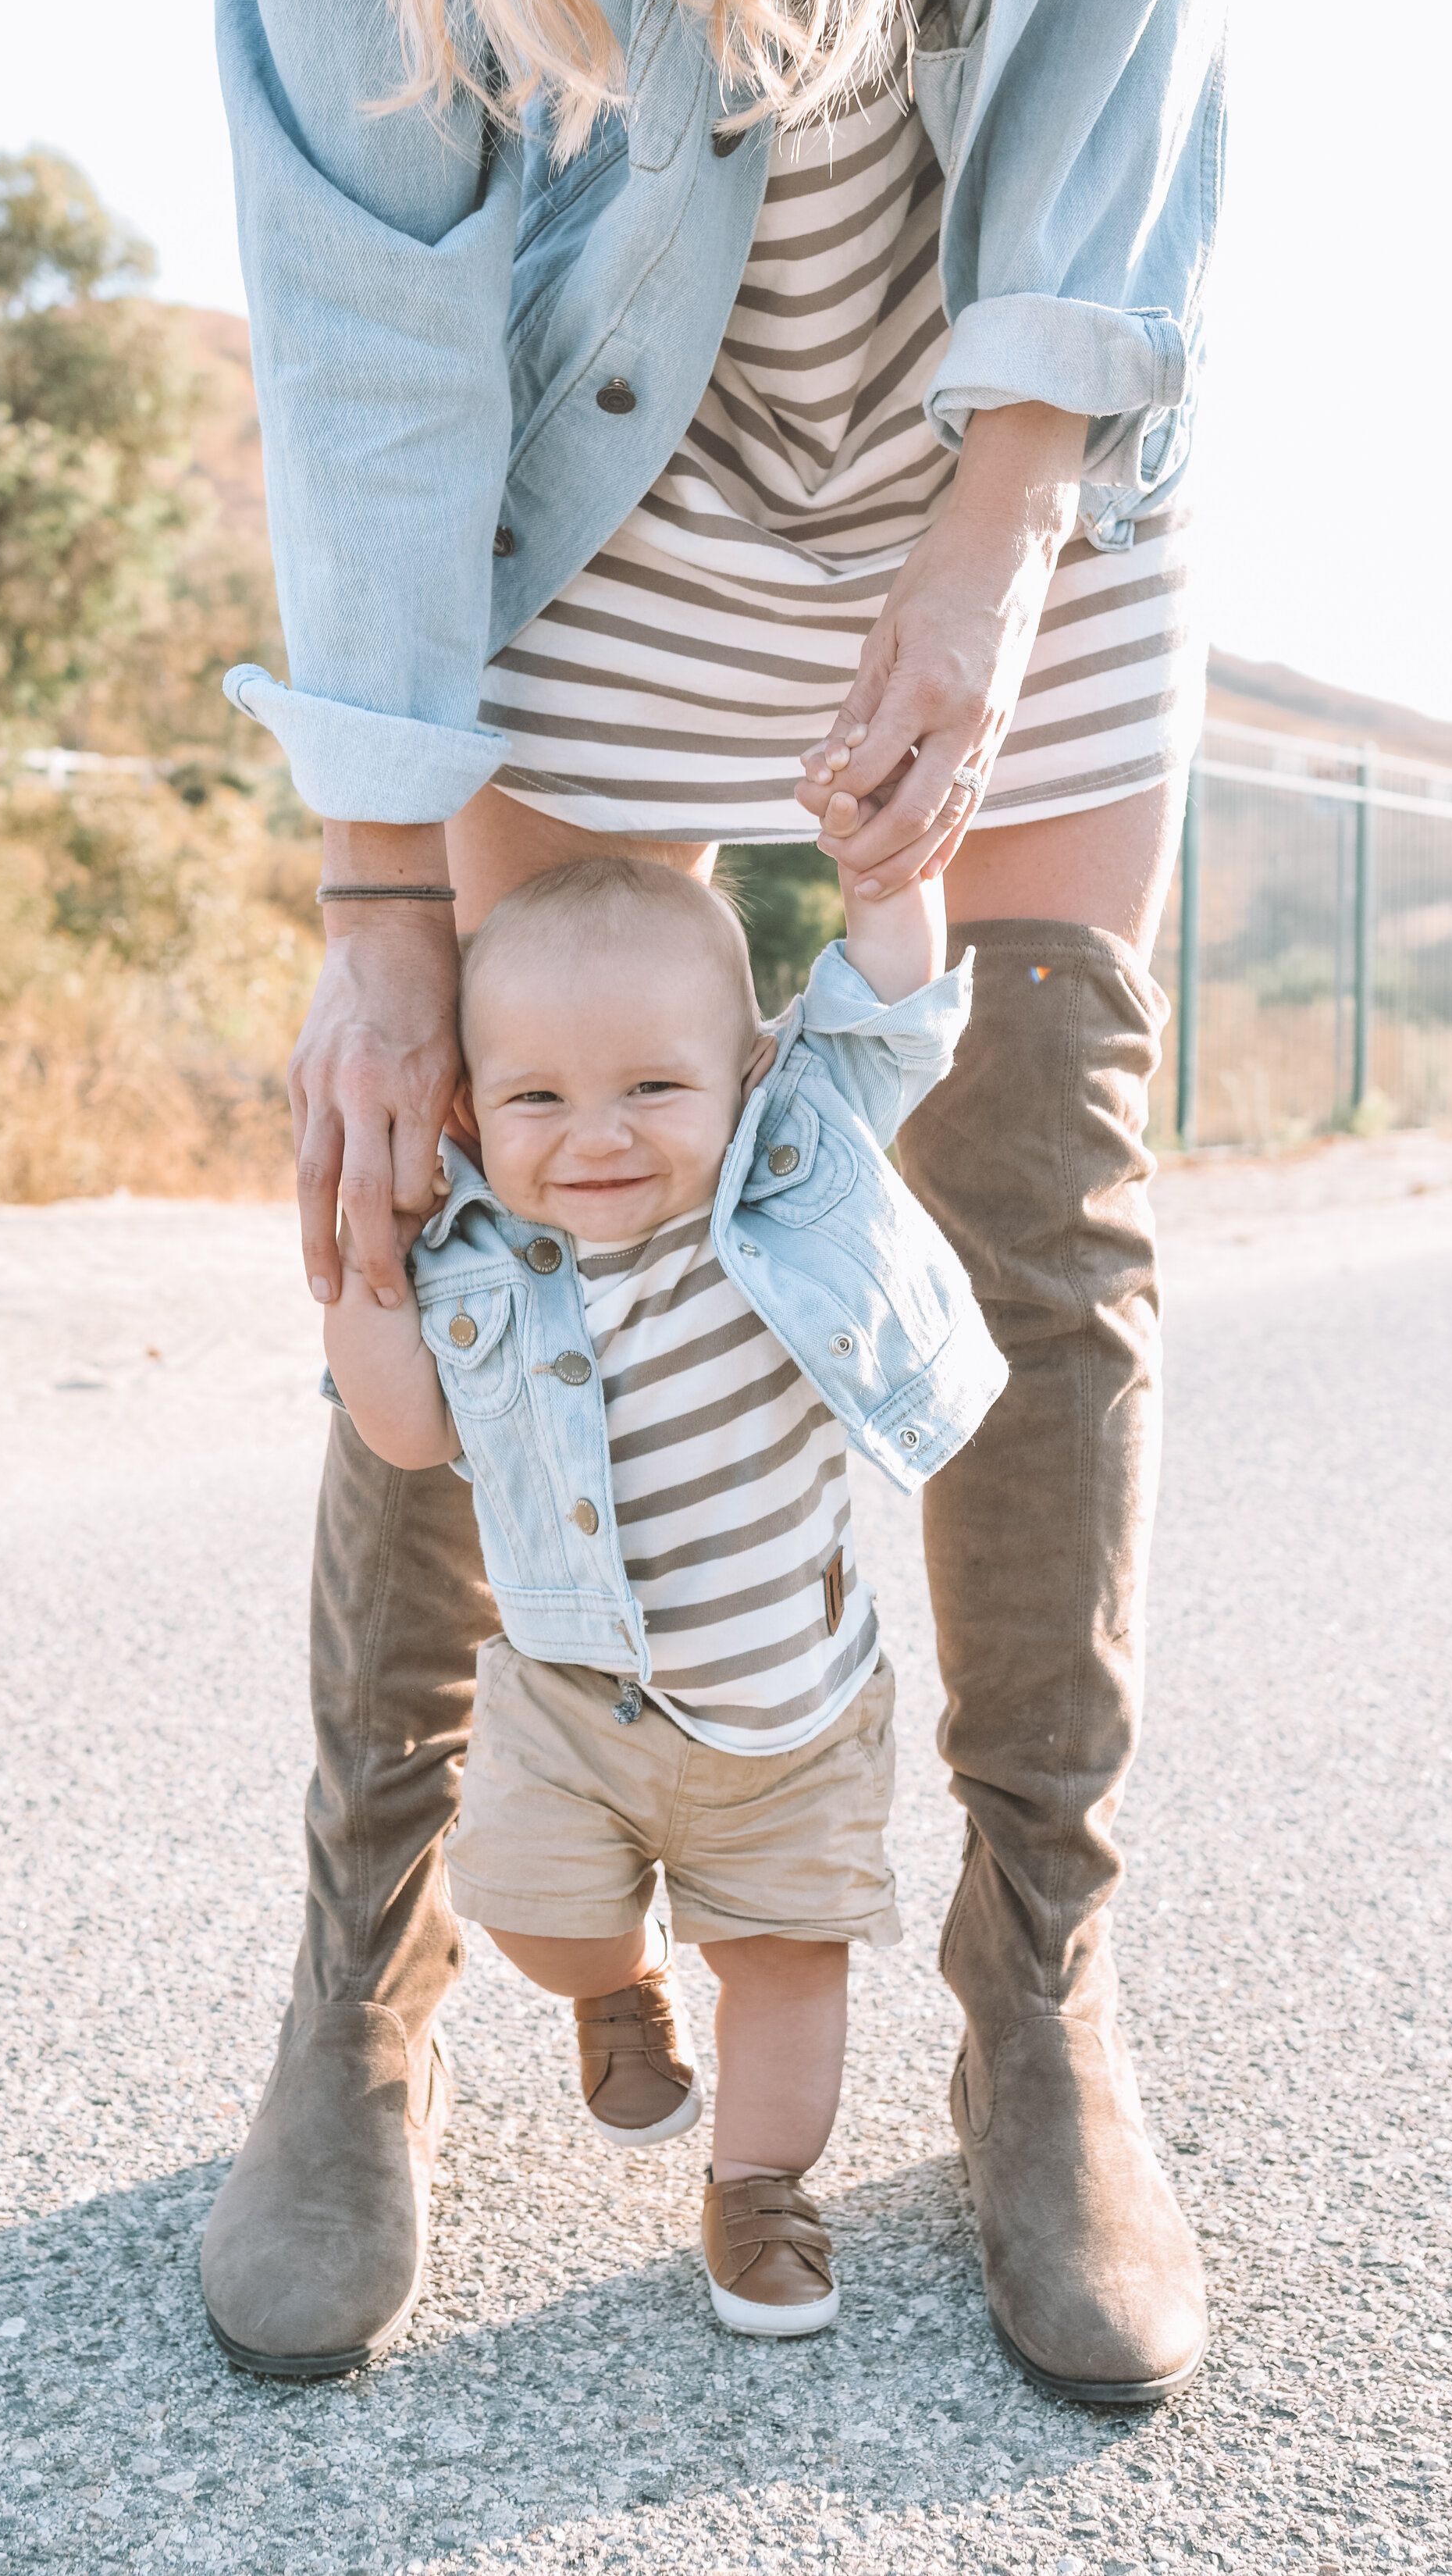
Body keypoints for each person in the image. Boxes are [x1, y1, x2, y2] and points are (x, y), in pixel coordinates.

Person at [198, 0, 1259, 2401]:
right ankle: (371, 1963)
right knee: (482, 1169)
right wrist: (367, 882)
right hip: (588, 441)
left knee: (1036, 1193)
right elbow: (353, 222)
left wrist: (1010, 511)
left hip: (1014, 404)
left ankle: (1041, 1998)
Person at [318, 851, 1002, 2336]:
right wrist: (359, 1263)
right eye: (539, 1100)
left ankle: (760, 2186)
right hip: (575, 1699)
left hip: (789, 1714)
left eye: (652, 1089)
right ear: (468, 1112)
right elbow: (410, 1428)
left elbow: (888, 1013)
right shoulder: (477, 1261)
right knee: (529, 1919)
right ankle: (616, 1987)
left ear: (747, 1074)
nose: (597, 1136)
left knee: (785, 1969)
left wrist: (892, 881)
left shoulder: (792, 1161)